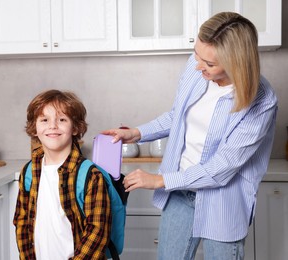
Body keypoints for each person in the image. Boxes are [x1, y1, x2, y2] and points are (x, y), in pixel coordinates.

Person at [102, 12, 277, 260]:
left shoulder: (261, 100)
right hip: (180, 195)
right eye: (196, 54)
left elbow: (221, 167)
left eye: (209, 63)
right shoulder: (198, 67)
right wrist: (138, 133)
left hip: (223, 201)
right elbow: (179, 115)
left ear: (236, 62)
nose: (198, 66)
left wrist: (160, 180)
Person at [13, 89, 111, 259]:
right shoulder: (29, 171)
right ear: (34, 128)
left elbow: (97, 232)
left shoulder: (90, 175)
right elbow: (22, 221)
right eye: (44, 120)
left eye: (62, 119)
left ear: (75, 128)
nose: (52, 126)